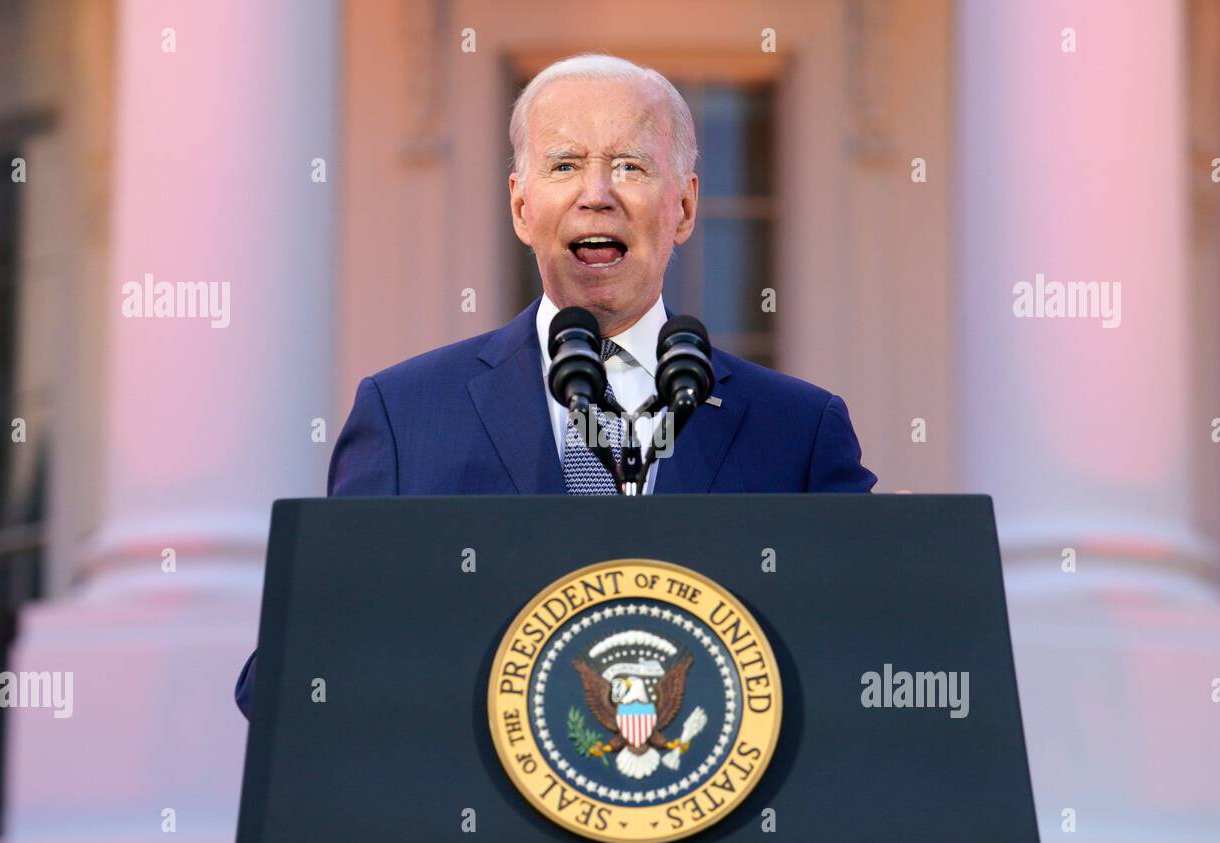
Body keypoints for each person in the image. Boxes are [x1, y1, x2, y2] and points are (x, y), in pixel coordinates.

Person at [234, 53, 875, 719]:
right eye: (565, 165)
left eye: (629, 165)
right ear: (521, 206)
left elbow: (873, 662)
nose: (596, 193)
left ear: (683, 208)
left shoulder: (797, 430)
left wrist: (910, 565)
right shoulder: (406, 417)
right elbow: (287, 682)